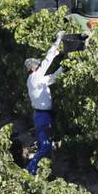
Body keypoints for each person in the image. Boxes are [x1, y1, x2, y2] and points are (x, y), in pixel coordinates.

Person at [25, 31, 66, 175]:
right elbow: (47, 61)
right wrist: (58, 40)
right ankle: (30, 169)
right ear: (33, 68)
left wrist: (64, 66)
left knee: (49, 144)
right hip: (42, 116)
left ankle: (44, 170)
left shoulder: (35, 80)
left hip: (43, 115)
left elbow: (53, 78)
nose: (38, 66)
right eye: (36, 65)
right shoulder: (35, 76)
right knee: (45, 145)